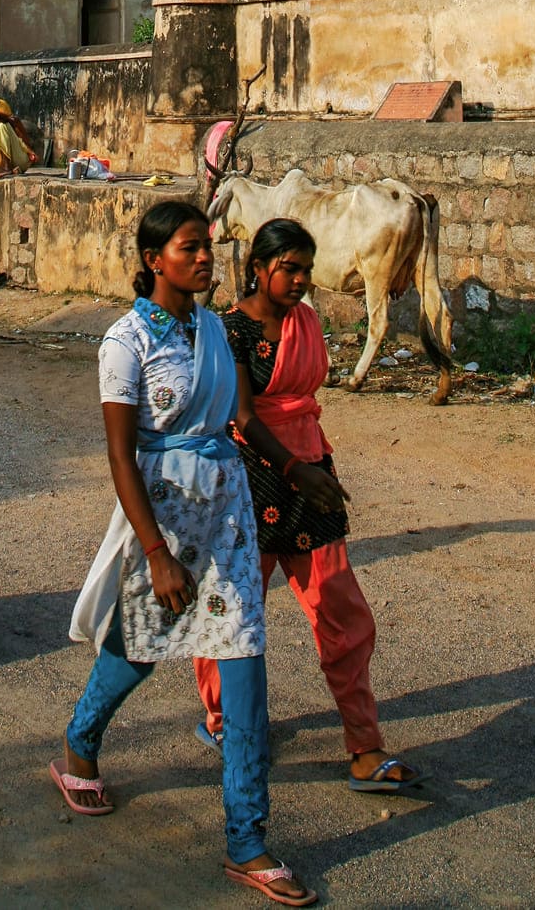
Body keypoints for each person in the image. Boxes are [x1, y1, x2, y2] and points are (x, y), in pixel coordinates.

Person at [55, 200, 316, 908]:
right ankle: (81, 740)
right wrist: (156, 552)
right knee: (141, 647)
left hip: (227, 516)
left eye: (208, 247)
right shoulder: (125, 343)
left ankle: (247, 840)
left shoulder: (214, 331)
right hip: (163, 518)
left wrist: (294, 469)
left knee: (244, 664)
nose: (205, 258)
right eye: (190, 248)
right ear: (153, 260)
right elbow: (119, 452)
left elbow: (239, 420)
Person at [194, 217, 421, 795]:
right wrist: (296, 470)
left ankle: (365, 747)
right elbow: (243, 416)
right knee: (233, 608)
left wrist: (311, 469)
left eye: (304, 270)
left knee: (340, 609)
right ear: (259, 268)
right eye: (287, 269)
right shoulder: (231, 331)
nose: (298, 281)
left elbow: (303, 400)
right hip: (252, 480)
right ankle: (225, 722)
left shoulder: (308, 322)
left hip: (310, 472)